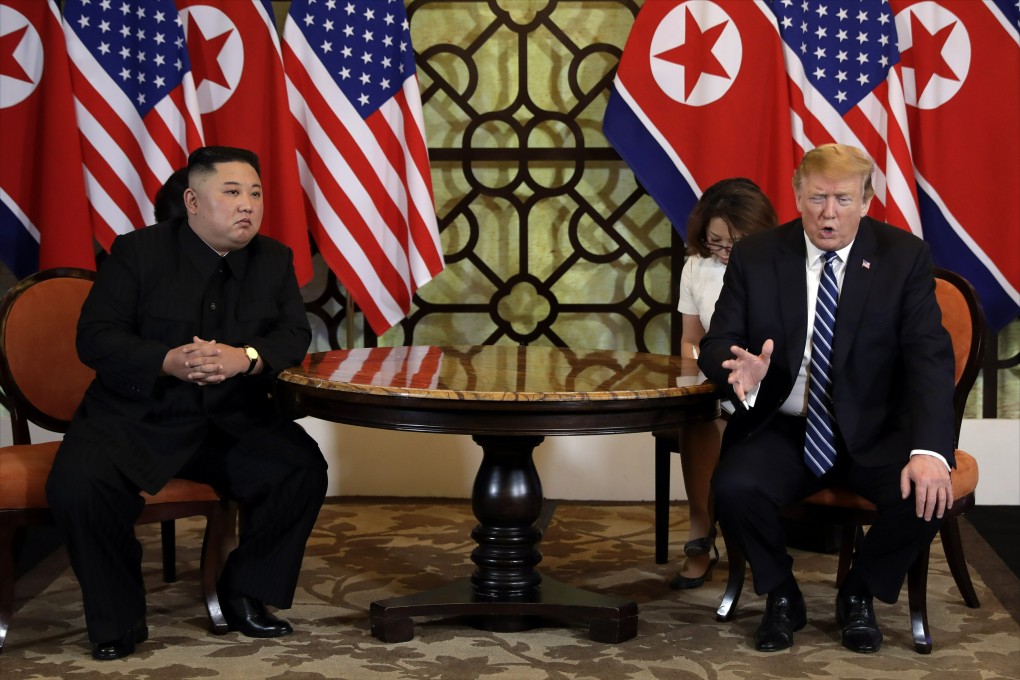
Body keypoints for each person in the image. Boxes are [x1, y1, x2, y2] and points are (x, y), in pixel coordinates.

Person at [46, 146, 328, 660]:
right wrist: (166, 361)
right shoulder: (136, 252)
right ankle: (118, 619)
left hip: (229, 420)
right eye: (233, 192)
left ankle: (245, 592)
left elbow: (292, 333)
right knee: (78, 485)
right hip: (136, 415)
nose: (248, 205)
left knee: (300, 469)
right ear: (193, 201)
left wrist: (246, 357)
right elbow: (96, 337)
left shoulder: (275, 259)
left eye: (256, 193)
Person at [699, 143, 955, 653]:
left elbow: (930, 360)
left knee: (927, 497)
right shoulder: (758, 255)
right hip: (786, 424)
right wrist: (739, 365)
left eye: (842, 199)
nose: (828, 213)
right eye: (817, 198)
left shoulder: (903, 257)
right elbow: (714, 344)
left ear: (866, 200)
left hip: (875, 430)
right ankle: (782, 594)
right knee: (734, 486)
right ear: (797, 196)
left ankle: (858, 595)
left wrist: (930, 452)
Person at [670, 178, 777, 589]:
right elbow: (691, 341)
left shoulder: (781, 264)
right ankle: (701, 530)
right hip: (717, 375)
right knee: (698, 416)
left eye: (736, 242)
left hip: (770, 379)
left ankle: (747, 533)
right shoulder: (697, 266)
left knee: (729, 419)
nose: (725, 251)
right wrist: (698, 379)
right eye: (716, 241)